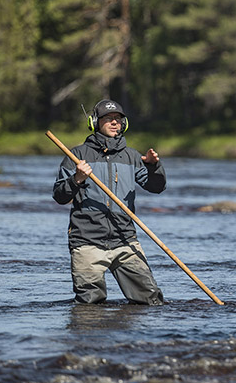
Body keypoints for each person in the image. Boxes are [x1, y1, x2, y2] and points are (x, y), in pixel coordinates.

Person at [53, 99, 167, 304]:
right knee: (89, 305)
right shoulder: (77, 155)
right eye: (108, 119)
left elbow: (156, 187)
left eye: (118, 119)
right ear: (94, 122)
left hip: (125, 240)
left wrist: (153, 166)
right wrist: (77, 178)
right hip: (87, 241)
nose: (115, 123)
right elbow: (60, 196)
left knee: (151, 300)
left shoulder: (132, 156)